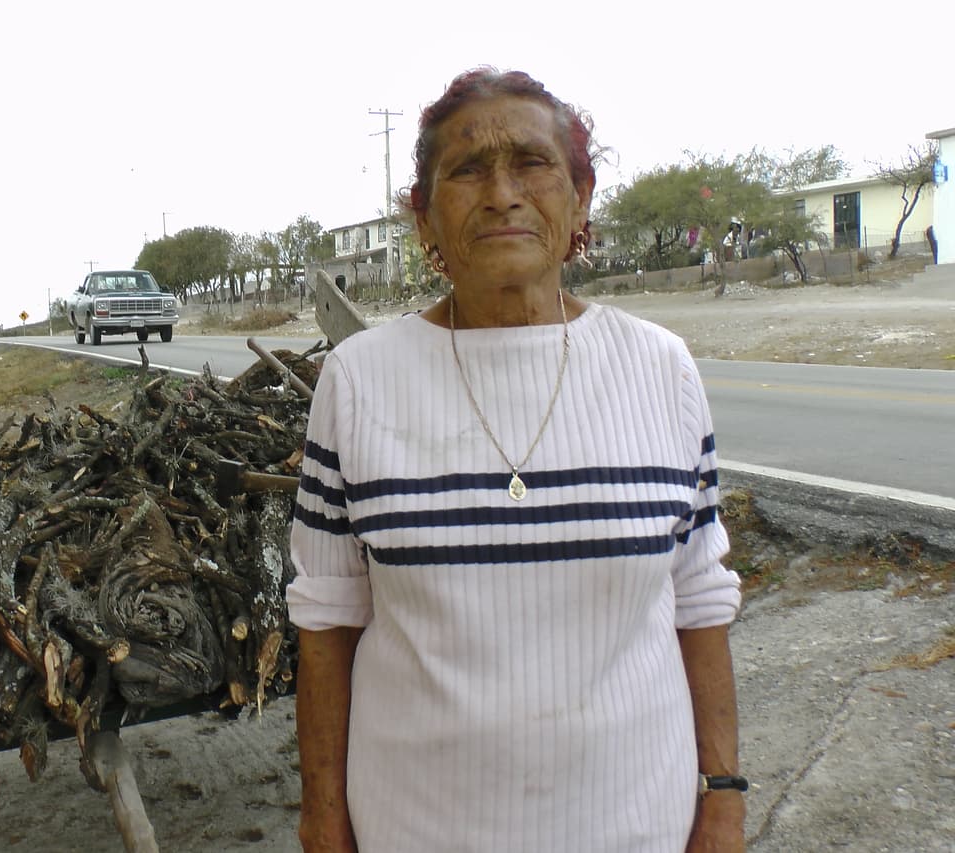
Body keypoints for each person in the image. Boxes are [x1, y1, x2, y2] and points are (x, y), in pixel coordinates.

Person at [287, 68, 745, 852]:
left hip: (639, 824)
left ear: (581, 198)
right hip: (415, 827)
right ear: (424, 218)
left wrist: (725, 801)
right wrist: (323, 818)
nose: (502, 194)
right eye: (468, 170)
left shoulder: (661, 370)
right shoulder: (359, 380)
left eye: (532, 163)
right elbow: (326, 621)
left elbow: (699, 600)